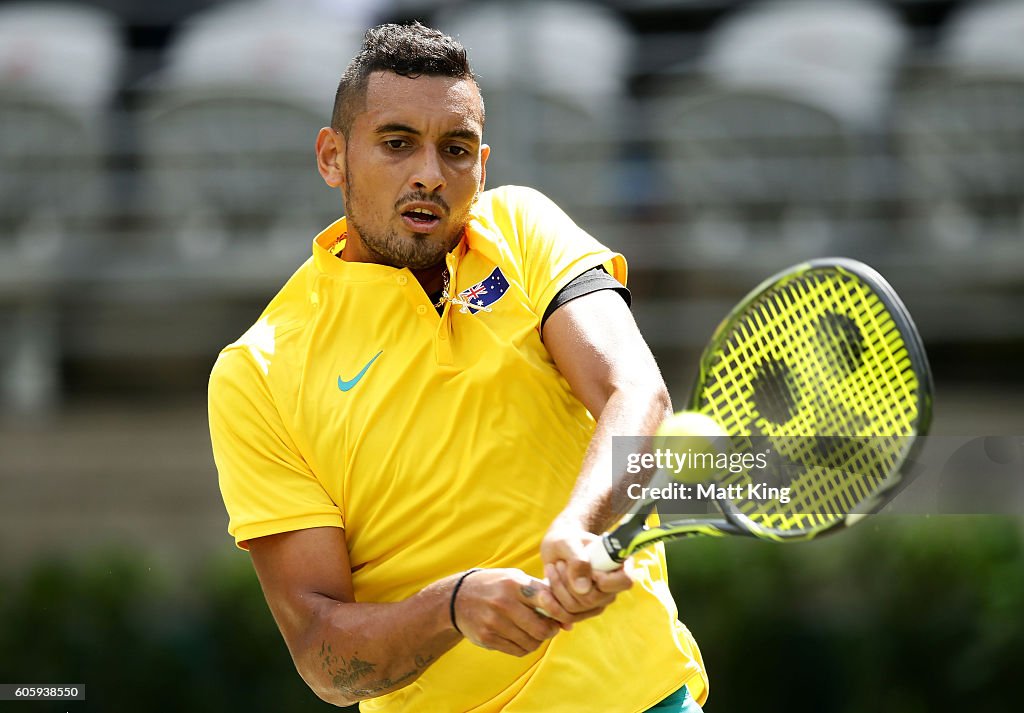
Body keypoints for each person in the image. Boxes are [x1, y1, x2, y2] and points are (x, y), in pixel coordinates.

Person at [208, 21, 708, 712]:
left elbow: (636, 393)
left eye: (456, 149)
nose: (428, 174)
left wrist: (578, 526)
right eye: (396, 143)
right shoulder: (257, 373)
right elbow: (323, 655)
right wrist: (452, 606)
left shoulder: (525, 229)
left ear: (483, 164)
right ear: (332, 157)